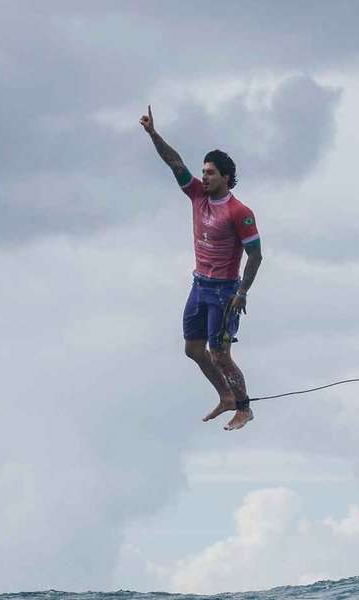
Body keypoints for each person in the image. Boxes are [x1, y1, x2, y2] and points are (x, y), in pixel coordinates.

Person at [140, 105, 263, 431]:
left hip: (224, 291)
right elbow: (174, 162)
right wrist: (154, 134)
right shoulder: (197, 194)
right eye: (203, 171)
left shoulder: (240, 211)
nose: (203, 176)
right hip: (199, 285)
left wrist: (242, 291)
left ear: (225, 177)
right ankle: (225, 396)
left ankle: (244, 407)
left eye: (210, 173)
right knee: (193, 349)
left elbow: (256, 255)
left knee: (220, 353)